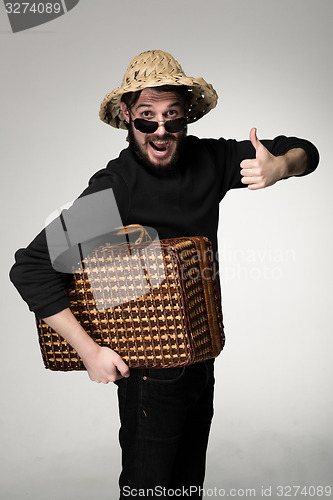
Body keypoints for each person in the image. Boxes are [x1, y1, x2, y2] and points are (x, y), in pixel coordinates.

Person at [10, 50, 319, 499]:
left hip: (201, 355)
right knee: (147, 488)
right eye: (147, 118)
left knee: (185, 486)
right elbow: (31, 266)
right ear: (126, 116)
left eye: (172, 118)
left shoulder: (209, 161)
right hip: (150, 371)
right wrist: (89, 350)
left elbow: (306, 150)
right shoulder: (118, 188)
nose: (160, 131)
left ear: (187, 116)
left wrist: (280, 167)